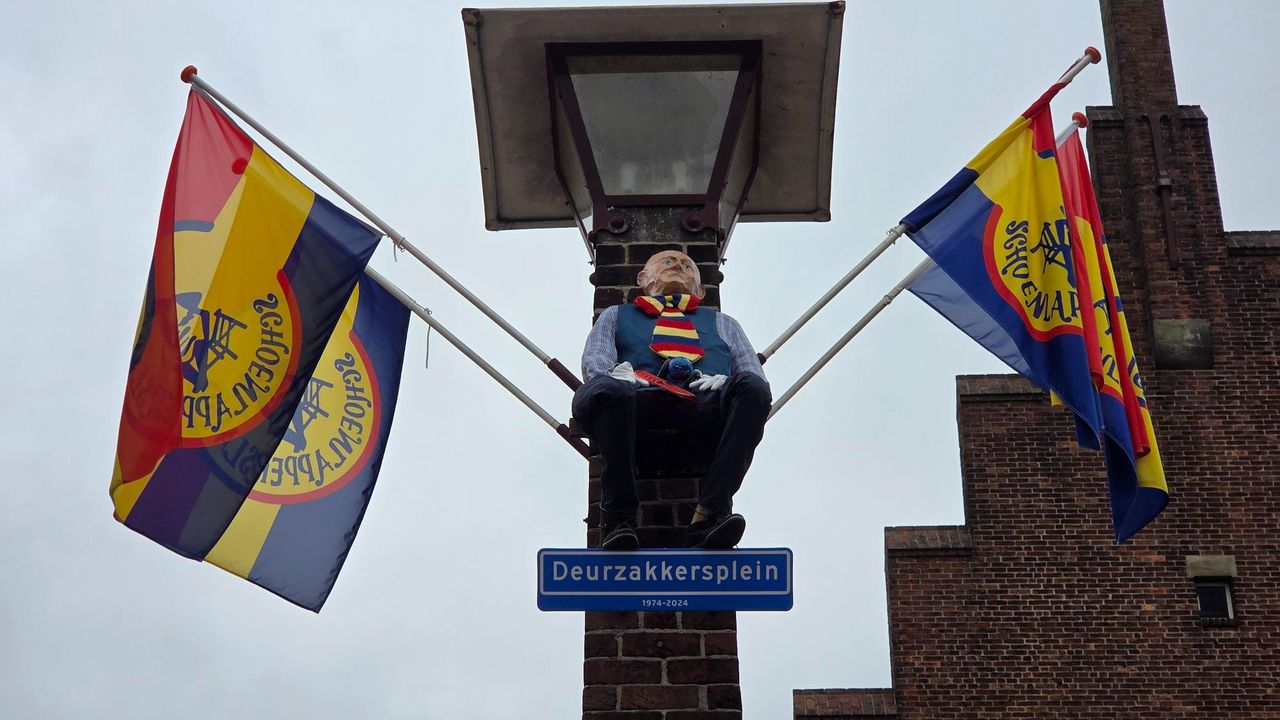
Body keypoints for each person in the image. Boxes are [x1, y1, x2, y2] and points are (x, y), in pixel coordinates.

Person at [573, 250, 771, 550]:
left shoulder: (724, 324)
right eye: (668, 262)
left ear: (701, 290)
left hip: (702, 399)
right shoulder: (616, 314)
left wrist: (726, 383)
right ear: (642, 279)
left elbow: (752, 374)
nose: (679, 266)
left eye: (689, 266)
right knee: (608, 390)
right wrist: (616, 376)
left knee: (753, 390)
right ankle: (617, 518)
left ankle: (710, 513)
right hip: (636, 398)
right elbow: (595, 360)